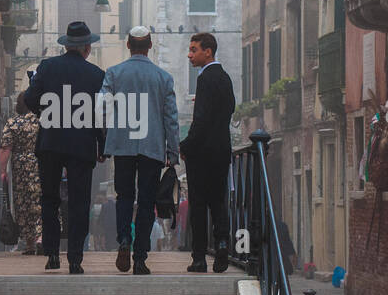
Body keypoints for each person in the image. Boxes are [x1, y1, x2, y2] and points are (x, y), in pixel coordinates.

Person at [23, 21, 106, 274]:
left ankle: (51, 254)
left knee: (50, 198)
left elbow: (29, 99)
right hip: (82, 145)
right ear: (87, 48)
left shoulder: (47, 67)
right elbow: (102, 115)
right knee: (80, 202)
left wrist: (46, 114)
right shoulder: (96, 75)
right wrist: (102, 146)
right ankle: (76, 258)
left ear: (67, 45)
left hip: (51, 142)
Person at [99, 26, 179, 275]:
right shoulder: (163, 78)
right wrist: (173, 151)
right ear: (150, 46)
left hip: (122, 145)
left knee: (124, 196)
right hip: (152, 147)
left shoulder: (114, 73)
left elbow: (102, 108)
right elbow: (171, 118)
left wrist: (107, 139)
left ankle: (124, 239)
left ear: (128, 45)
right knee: (146, 202)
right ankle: (141, 257)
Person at [180, 32, 235, 273]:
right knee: (218, 201)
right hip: (222, 148)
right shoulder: (225, 78)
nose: (190, 54)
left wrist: (186, 146)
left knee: (199, 205)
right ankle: (222, 242)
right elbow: (229, 110)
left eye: (194, 50)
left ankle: (199, 258)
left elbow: (200, 119)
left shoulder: (204, 79)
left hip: (202, 153)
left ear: (208, 51)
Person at [0, 91, 41, 254]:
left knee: (23, 203)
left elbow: (5, 148)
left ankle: (29, 243)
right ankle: (42, 237)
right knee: (42, 200)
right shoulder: (41, 122)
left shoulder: (13, 123)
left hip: (21, 167)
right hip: (41, 164)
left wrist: (3, 171)